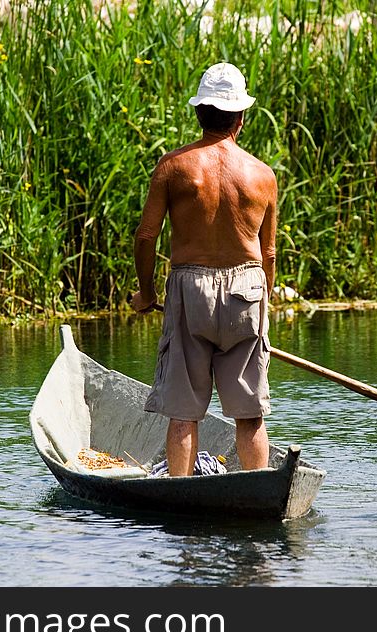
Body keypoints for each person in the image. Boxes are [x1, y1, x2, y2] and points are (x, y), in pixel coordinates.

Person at [130, 62, 278, 477]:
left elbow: (146, 237)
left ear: (199, 114)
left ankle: (181, 495)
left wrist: (147, 294)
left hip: (190, 290)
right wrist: (263, 305)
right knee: (249, 415)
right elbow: (268, 253)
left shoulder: (174, 166)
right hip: (247, 291)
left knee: (184, 412)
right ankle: (254, 491)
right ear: (241, 118)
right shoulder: (262, 174)